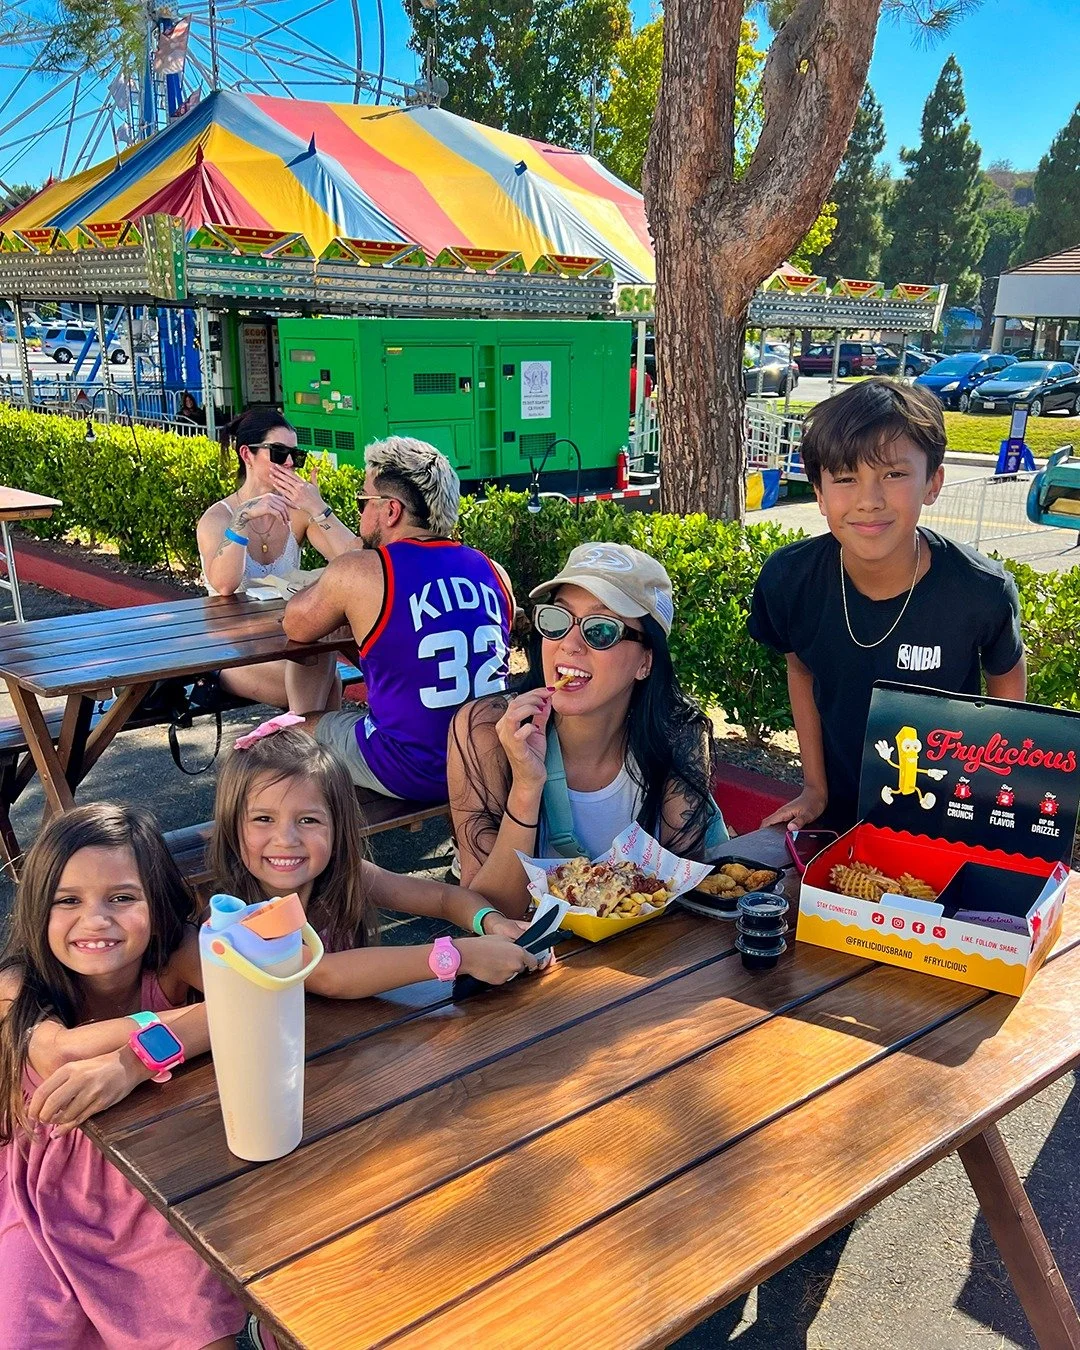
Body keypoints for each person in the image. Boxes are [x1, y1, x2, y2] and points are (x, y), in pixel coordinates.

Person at [0, 804, 245, 1350]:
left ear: (156, 903)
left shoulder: (174, 954)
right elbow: (60, 1053)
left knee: (196, 1330)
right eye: (68, 900)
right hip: (41, 1189)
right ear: (38, 907)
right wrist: (193, 1023)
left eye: (121, 898)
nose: (95, 921)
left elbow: (254, 1001)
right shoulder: (15, 983)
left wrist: (131, 1063)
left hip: (153, 1176)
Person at [748, 378, 1027, 834]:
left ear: (933, 482)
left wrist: (991, 798)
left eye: (894, 474)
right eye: (845, 478)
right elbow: (801, 669)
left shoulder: (980, 590)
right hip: (839, 820)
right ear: (819, 493)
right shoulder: (790, 579)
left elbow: (1007, 682)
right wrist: (814, 788)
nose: (869, 501)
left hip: (946, 822)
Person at [448, 543, 727, 918]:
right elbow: (489, 912)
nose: (569, 644)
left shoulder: (679, 735)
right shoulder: (485, 732)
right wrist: (527, 786)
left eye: (601, 630)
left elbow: (678, 900)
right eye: (557, 620)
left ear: (645, 662)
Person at [209, 726, 542, 995]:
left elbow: (444, 897)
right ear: (231, 825)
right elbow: (327, 975)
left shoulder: (345, 876)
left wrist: (492, 922)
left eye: (308, 820)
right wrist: (460, 955)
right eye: (263, 819)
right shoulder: (232, 917)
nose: (286, 839)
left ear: (338, 827)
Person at [282, 436, 515, 802]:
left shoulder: (362, 570)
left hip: (410, 770)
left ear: (391, 511)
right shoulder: (494, 571)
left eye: (363, 501)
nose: (360, 513)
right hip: (490, 762)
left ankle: (323, 827)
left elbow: (295, 625)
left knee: (294, 727)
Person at [197, 406, 359, 714]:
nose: (289, 463)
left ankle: (299, 739)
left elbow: (354, 561)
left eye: (296, 455)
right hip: (231, 648)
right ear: (247, 454)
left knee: (321, 661)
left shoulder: (297, 513)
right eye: (279, 452)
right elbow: (225, 585)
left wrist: (318, 508)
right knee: (325, 677)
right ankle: (304, 741)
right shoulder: (219, 517)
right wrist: (242, 519)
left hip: (286, 640)